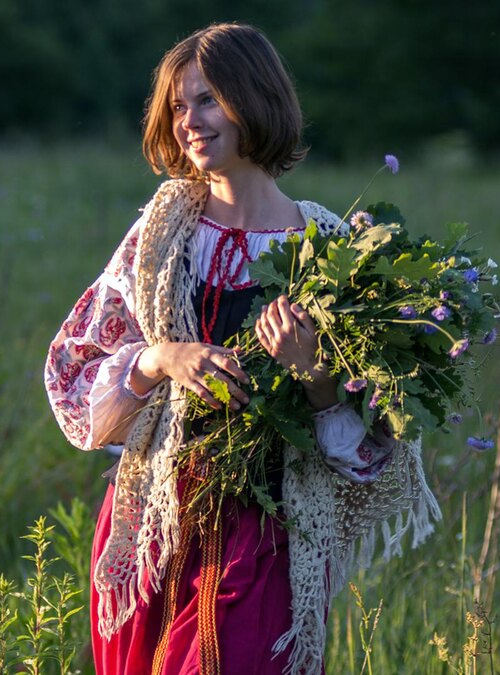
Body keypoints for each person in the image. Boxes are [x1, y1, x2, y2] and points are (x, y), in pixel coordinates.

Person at [44, 24, 440, 674]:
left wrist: (314, 373)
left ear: (253, 99)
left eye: (206, 100)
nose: (188, 121)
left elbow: (374, 444)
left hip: (268, 528)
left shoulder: (328, 248)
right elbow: (75, 367)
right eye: (178, 106)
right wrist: (161, 359)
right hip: (154, 522)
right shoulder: (163, 231)